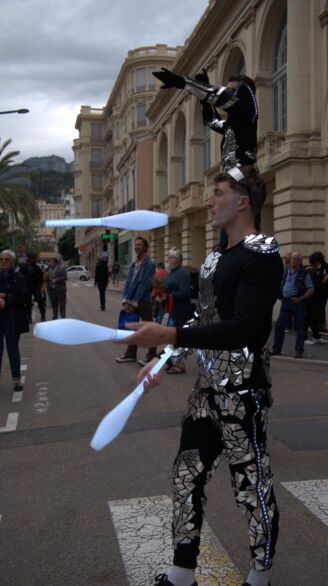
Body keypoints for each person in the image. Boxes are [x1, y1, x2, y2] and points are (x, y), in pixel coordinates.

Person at [115, 166, 283, 586]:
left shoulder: (262, 255)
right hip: (205, 392)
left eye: (219, 193)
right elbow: (201, 317)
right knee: (185, 475)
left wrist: (171, 332)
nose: (210, 200)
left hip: (243, 394)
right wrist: (166, 357)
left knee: (251, 486)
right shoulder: (213, 259)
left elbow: (245, 327)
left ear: (243, 201)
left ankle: (260, 578)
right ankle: (181, 575)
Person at [153, 68, 258, 172]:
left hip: (244, 177)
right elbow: (211, 120)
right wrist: (204, 98)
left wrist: (184, 82)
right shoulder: (233, 125)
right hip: (235, 178)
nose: (228, 93)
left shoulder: (248, 112)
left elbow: (221, 96)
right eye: (228, 90)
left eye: (231, 91)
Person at [115, 236, 156, 364]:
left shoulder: (149, 264)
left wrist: (133, 302)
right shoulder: (134, 264)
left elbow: (144, 285)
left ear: (145, 247)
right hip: (131, 300)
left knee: (148, 328)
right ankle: (130, 354)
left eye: (139, 245)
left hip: (143, 301)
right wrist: (125, 300)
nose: (136, 247)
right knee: (132, 327)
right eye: (135, 245)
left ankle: (151, 355)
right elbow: (128, 283)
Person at [271, 251, 314, 358]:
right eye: (292, 259)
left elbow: (311, 289)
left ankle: (299, 351)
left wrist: (301, 298)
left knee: (300, 328)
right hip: (285, 302)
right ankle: (276, 349)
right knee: (279, 326)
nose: (293, 261)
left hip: (297, 303)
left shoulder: (304, 273)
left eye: (295, 259)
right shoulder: (287, 271)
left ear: (300, 261)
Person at [160, 247, 192, 374]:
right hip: (171, 309)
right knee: (171, 337)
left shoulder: (183, 273)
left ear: (177, 260)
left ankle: (179, 364)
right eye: (168, 256)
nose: (168, 259)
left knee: (177, 338)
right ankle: (174, 362)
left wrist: (168, 296)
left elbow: (185, 293)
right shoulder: (171, 272)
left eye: (171, 257)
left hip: (180, 310)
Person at [0, 250, 29, 391]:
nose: (3, 262)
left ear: (12, 262)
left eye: (6, 259)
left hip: (11, 319)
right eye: (1, 259)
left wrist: (6, 298)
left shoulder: (18, 277)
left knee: (13, 351)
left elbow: (23, 298)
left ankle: (17, 380)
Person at [304, 252, 328, 345]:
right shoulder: (310, 271)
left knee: (314, 318)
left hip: (316, 298)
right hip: (311, 298)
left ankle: (316, 336)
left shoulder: (312, 270)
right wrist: (322, 280)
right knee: (308, 318)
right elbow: (314, 284)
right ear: (317, 261)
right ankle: (304, 337)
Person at [20, 252, 46, 323]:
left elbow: (41, 277)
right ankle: (29, 318)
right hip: (27, 288)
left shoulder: (37, 267)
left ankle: (43, 316)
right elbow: (20, 277)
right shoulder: (23, 268)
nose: (31, 260)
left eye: (33, 259)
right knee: (28, 303)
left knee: (40, 301)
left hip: (35, 287)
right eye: (30, 259)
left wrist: (39, 285)